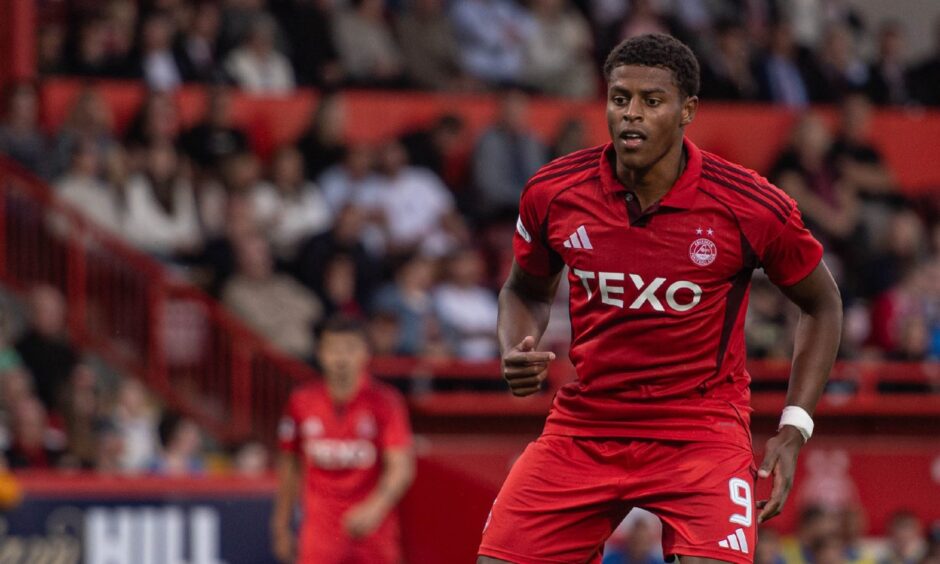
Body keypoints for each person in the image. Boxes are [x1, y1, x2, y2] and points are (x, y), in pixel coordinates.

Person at [478, 33, 843, 564]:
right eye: (620, 98)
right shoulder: (554, 191)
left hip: (702, 430)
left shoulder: (750, 205)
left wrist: (795, 426)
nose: (632, 113)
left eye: (652, 101)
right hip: (587, 425)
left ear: (687, 110)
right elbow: (524, 289)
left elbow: (823, 303)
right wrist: (515, 344)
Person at [271, 315, 415, 564]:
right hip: (319, 534)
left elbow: (401, 467)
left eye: (349, 348)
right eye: (333, 349)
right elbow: (289, 466)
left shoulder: (386, 402)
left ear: (365, 353)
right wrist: (281, 524)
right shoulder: (301, 402)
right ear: (320, 354)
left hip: (373, 532)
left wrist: (376, 507)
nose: (341, 358)